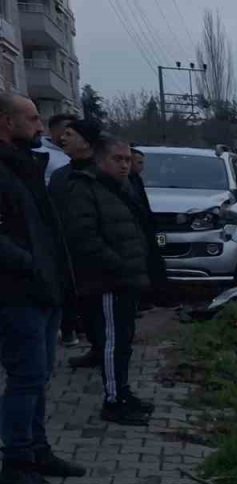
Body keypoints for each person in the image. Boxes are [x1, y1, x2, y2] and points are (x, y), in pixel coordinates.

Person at [0, 93, 86, 484]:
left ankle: (37, 451)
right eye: (32, 119)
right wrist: (29, 262)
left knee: (39, 376)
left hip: (45, 288)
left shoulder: (27, 165)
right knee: (26, 377)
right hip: (16, 291)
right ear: (6, 122)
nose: (41, 127)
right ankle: (15, 464)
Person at [63, 135, 154, 426]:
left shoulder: (120, 188)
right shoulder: (84, 188)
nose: (125, 165)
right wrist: (120, 266)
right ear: (101, 160)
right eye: (118, 159)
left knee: (124, 341)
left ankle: (123, 392)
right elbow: (85, 238)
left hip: (125, 280)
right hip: (107, 282)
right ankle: (114, 400)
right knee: (113, 342)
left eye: (128, 159)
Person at [49, 119, 103, 368]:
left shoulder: (103, 173)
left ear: (85, 141)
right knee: (83, 305)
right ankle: (95, 347)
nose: (63, 138)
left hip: (98, 254)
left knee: (101, 307)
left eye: (69, 134)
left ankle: (107, 352)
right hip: (68, 254)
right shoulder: (61, 176)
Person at [129, 145, 168, 309]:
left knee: (154, 262)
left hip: (148, 228)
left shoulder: (136, 180)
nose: (141, 167)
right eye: (138, 162)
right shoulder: (125, 182)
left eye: (143, 163)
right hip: (136, 230)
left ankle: (157, 296)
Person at [34, 112, 76, 184]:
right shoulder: (38, 153)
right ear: (52, 131)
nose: (68, 134)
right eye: (65, 131)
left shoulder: (76, 152)